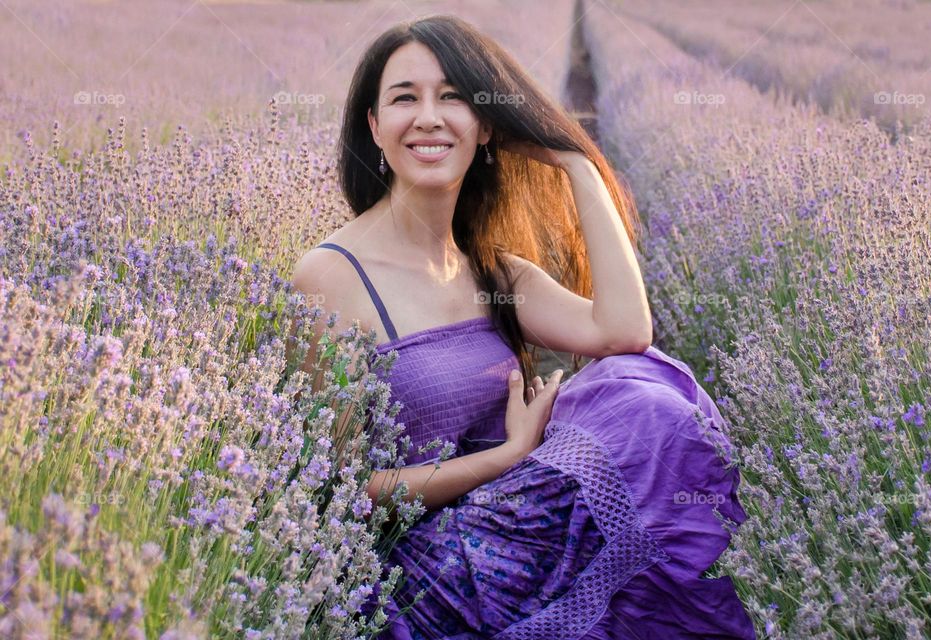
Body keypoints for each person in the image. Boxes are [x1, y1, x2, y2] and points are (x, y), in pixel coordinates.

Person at [290, 14, 756, 639]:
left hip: (517, 523)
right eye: (405, 98)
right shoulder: (330, 277)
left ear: (484, 128)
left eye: (452, 97)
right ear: (375, 128)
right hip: (420, 575)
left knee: (640, 396)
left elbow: (625, 333)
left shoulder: (495, 274)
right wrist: (509, 456)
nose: (428, 117)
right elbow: (339, 490)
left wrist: (575, 163)